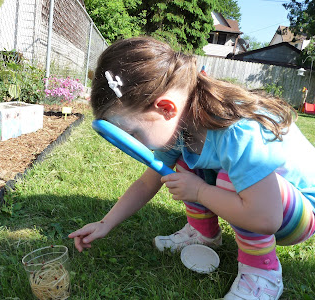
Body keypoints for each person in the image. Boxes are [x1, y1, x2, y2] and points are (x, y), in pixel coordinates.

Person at [68, 36, 315, 299]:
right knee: (186, 163)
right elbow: (147, 182)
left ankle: (263, 275)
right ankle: (204, 235)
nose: (136, 145)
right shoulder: (179, 125)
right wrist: (106, 223)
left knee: (226, 178)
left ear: (165, 108)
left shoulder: (237, 130)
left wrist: (199, 192)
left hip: (296, 214)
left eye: (135, 133)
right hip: (266, 204)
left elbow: (266, 218)